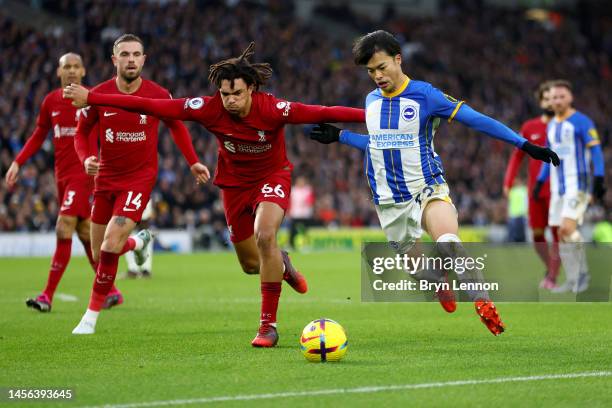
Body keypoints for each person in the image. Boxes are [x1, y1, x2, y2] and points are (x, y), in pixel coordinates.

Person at [64, 42, 365, 347]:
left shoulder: (273, 108)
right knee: (250, 264)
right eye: (225, 94)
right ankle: (281, 263)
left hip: (271, 177)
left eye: (237, 94)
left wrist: (371, 116)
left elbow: (324, 111)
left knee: (265, 235)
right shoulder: (209, 108)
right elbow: (151, 106)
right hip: (233, 185)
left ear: (252, 89)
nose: (230, 100)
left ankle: (267, 327)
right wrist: (93, 97)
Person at [309, 30, 559, 336]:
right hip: (389, 201)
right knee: (419, 273)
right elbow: (379, 145)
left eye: (382, 67)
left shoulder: (426, 95)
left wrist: (523, 144)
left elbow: (476, 119)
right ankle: (438, 283)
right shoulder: (371, 101)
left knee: (448, 243)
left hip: (427, 188)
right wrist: (341, 136)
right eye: (371, 71)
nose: (377, 76)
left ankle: (482, 302)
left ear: (398, 59)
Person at [69, 34, 209, 334]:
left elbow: (176, 126)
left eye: (136, 54)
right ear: (114, 60)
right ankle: (139, 242)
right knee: (99, 253)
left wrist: (193, 160)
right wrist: (86, 159)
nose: (131, 59)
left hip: (139, 179)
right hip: (105, 178)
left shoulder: (158, 94)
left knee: (109, 244)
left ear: (144, 60)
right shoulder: (98, 94)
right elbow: (81, 134)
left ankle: (90, 317)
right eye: (125, 54)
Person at [4, 53, 123, 312]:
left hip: (85, 175)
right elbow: (38, 134)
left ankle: (46, 296)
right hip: (62, 177)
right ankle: (112, 290)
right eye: (66, 67)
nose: (71, 71)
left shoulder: (92, 99)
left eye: (75, 66)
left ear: (83, 71)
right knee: (85, 235)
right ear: (58, 72)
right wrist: (18, 162)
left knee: (63, 226)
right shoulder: (51, 102)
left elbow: (113, 132)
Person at [534, 80, 606, 293]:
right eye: (554, 97)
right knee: (560, 234)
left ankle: (582, 274)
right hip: (558, 187)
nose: (557, 100)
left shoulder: (582, 121)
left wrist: (599, 179)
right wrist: (540, 182)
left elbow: (596, 151)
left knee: (567, 229)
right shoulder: (551, 126)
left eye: (561, 96)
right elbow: (549, 157)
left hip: (578, 183)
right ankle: (574, 279)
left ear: (570, 98)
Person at [503, 81, 560, 288]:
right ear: (540, 101)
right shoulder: (529, 127)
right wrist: (508, 180)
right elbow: (517, 156)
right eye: (546, 99)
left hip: (558, 191)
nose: (551, 103)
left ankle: (552, 277)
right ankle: (552, 268)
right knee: (537, 237)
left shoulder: (565, 126)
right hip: (535, 191)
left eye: (554, 98)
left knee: (557, 235)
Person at [124, 199, 154, 278]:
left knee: (132, 243)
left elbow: (149, 214)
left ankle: (142, 270)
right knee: (130, 245)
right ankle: (137, 270)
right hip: (134, 224)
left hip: (140, 224)